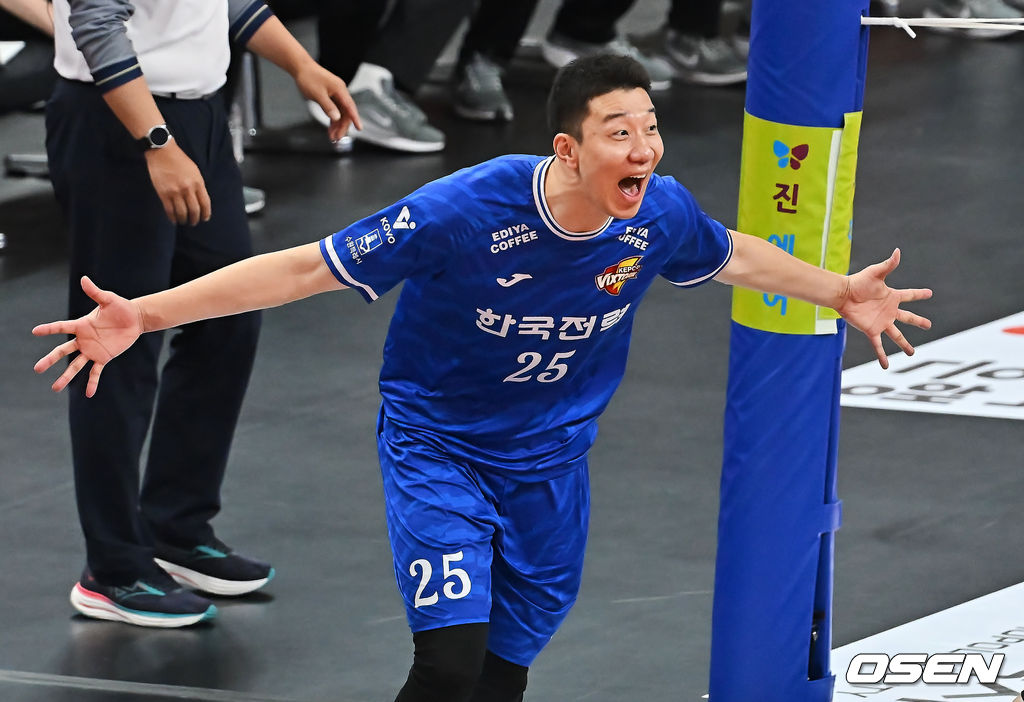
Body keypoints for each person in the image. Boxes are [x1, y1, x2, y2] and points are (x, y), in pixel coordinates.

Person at [34, 55, 931, 698]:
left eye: (651, 128)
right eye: (620, 133)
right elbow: (307, 268)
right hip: (440, 450)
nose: (644, 149)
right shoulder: (466, 209)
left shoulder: (657, 215)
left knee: (501, 677)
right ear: (568, 150)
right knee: (449, 665)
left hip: (552, 467)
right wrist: (145, 314)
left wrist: (841, 292)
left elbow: (733, 255)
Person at [44, 0, 359, 628]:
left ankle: (175, 525)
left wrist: (300, 64)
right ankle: (113, 568)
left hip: (198, 116)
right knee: (116, 342)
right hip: (123, 122)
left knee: (230, 316)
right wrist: (156, 141)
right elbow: (96, 21)